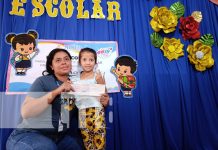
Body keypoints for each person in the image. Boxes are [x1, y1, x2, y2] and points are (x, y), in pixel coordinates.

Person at [6, 48, 109, 150]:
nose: (63, 62)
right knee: (46, 147)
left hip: (58, 137)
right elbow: (26, 112)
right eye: (58, 60)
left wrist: (102, 100)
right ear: (51, 66)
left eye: (66, 59)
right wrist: (57, 91)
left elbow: (84, 107)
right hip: (30, 134)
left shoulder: (76, 84)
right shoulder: (43, 81)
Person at [74, 47, 107, 150]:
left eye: (91, 60)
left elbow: (104, 95)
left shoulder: (97, 76)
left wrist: (101, 81)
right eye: (84, 60)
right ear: (80, 62)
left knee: (99, 136)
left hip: (97, 111)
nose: (88, 63)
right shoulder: (75, 78)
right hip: (82, 112)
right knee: (86, 138)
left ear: (95, 62)